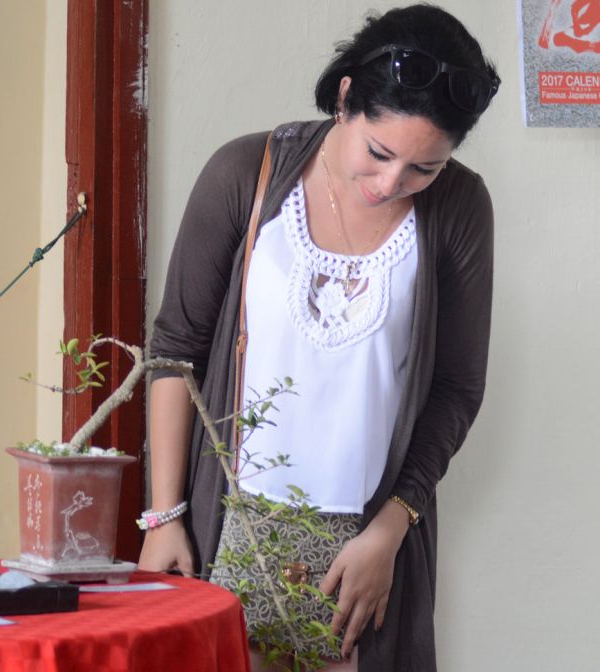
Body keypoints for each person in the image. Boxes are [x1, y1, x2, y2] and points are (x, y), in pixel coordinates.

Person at [137, 4, 500, 671]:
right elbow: (174, 352)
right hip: (230, 526)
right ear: (344, 99)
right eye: (380, 153)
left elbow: (457, 388)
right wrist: (165, 517)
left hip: (367, 548)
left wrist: (388, 533)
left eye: (425, 168)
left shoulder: (459, 209)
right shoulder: (245, 174)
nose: (391, 184)